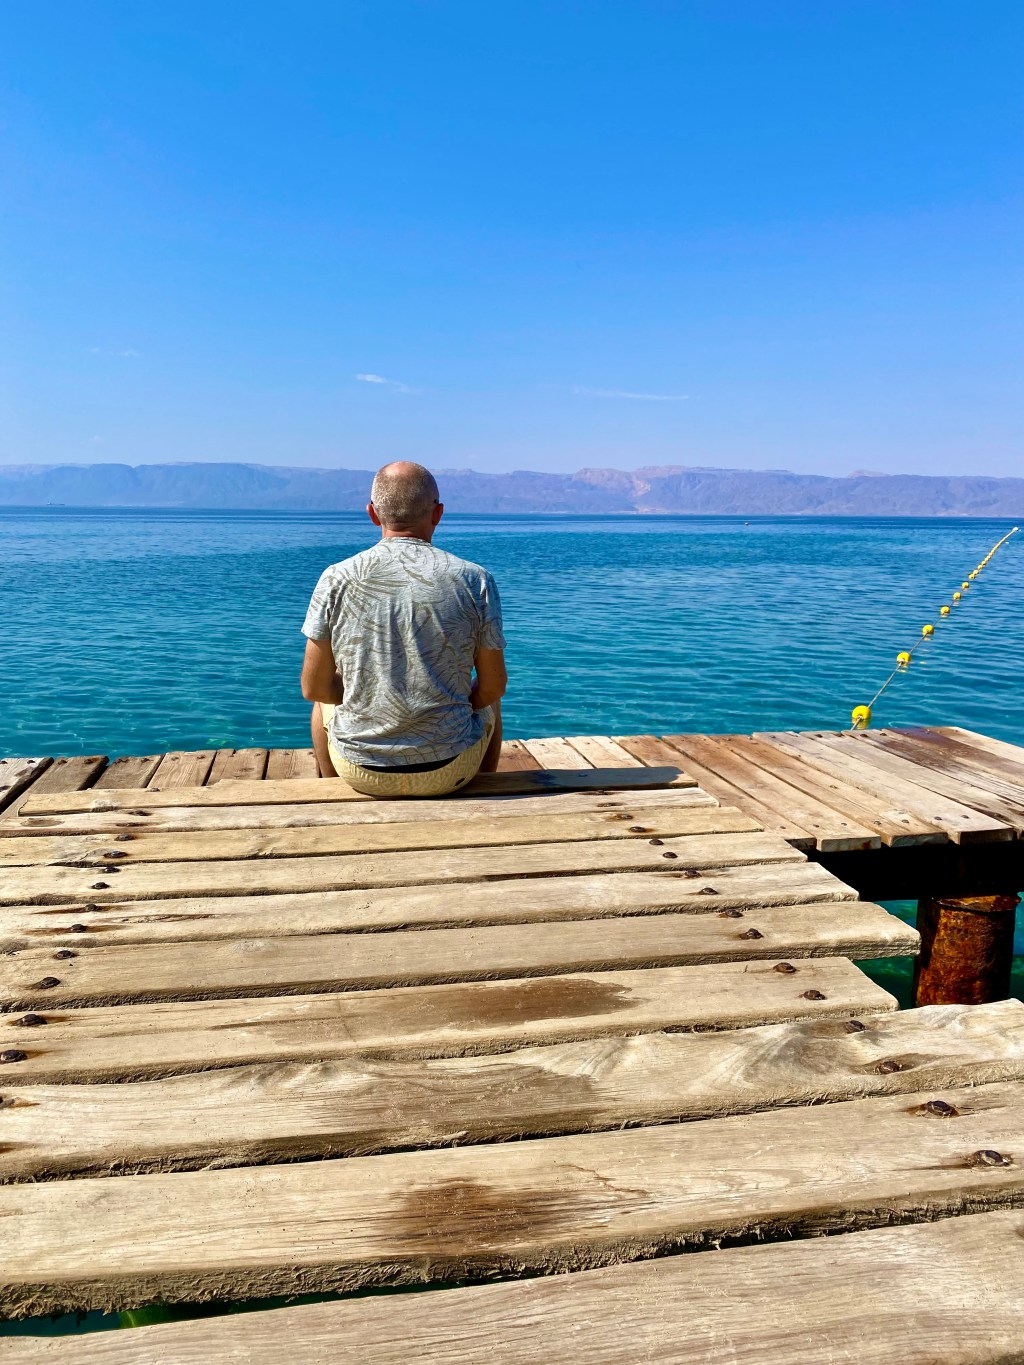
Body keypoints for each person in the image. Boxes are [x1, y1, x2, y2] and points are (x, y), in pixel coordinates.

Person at [300, 461, 507, 796]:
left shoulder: (336, 577)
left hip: (360, 773)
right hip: (451, 771)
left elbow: (313, 687)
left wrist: (361, 696)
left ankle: (331, 792)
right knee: (490, 701)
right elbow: (493, 686)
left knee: (322, 702)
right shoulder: (474, 579)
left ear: (372, 513)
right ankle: (484, 788)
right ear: (437, 513)